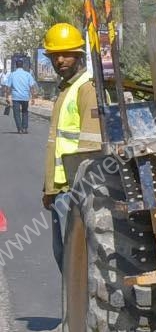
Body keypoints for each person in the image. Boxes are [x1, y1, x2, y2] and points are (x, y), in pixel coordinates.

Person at [42, 23, 94, 274]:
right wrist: (49, 189)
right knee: (63, 258)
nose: (60, 60)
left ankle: (78, 314)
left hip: (76, 190)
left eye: (66, 54)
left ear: (79, 55)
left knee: (74, 265)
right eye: (54, 56)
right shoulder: (67, 89)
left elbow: (91, 146)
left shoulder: (87, 89)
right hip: (61, 190)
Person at [5, 56, 36, 134]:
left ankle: (19, 129)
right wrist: (33, 98)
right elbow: (32, 87)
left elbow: (8, 87)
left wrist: (7, 97)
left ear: (16, 65)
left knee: (16, 113)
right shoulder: (27, 74)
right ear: (22, 65)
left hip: (15, 97)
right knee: (25, 112)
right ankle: (25, 128)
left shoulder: (12, 75)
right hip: (25, 97)